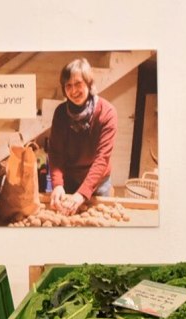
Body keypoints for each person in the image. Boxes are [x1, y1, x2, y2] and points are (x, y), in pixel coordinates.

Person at [48, 58, 117, 216]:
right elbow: (56, 153)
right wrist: (58, 184)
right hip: (70, 178)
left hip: (99, 181)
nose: (73, 91)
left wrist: (82, 194)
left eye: (78, 83)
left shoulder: (107, 112)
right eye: (68, 86)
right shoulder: (60, 113)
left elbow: (102, 158)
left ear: (89, 83)